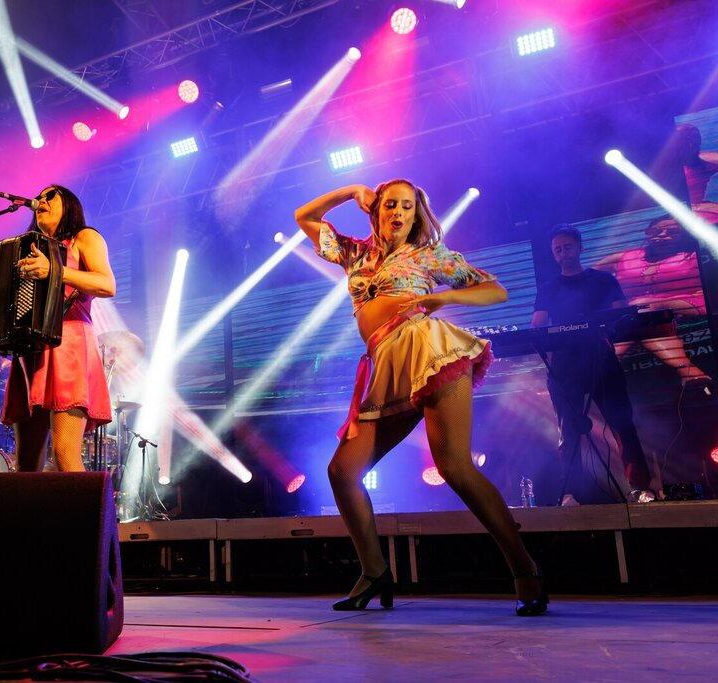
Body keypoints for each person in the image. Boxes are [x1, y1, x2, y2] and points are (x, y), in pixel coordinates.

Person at [296, 179, 545, 616]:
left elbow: (495, 289)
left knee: (454, 467)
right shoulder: (355, 254)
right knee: (342, 471)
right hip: (386, 365)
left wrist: (443, 297)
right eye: (390, 204)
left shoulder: (430, 255)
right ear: (376, 210)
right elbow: (305, 216)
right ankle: (374, 572)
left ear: (416, 216)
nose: (397, 212)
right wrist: (352, 190)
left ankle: (525, 571)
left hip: (429, 351)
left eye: (407, 207)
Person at [532, 225, 654, 504]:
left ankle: (640, 488)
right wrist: (536, 333)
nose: (563, 253)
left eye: (567, 247)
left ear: (579, 247)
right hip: (564, 366)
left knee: (622, 425)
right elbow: (538, 324)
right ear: (553, 254)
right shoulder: (548, 289)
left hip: (602, 360)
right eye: (558, 249)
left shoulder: (603, 280)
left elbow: (621, 314)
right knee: (568, 432)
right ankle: (571, 493)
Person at [1, 185, 115, 472]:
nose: (41, 200)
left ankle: (86, 504)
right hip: (31, 351)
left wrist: (56, 270)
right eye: (39, 197)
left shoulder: (84, 237)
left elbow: (107, 284)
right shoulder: (28, 248)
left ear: (70, 204)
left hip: (69, 345)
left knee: (64, 453)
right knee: (26, 463)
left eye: (50, 195)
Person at [595, 210, 713, 389]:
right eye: (656, 230)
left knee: (640, 308)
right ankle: (689, 372)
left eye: (672, 232)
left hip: (686, 301)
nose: (663, 235)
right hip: (639, 312)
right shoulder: (624, 257)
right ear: (648, 232)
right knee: (642, 316)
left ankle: (597, 371)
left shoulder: (693, 255)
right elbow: (588, 279)